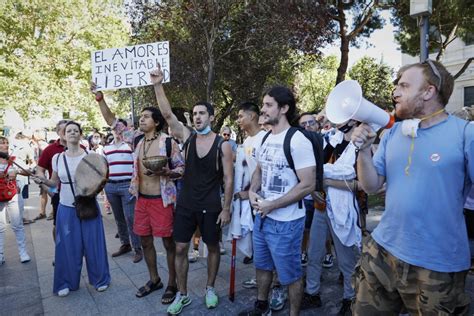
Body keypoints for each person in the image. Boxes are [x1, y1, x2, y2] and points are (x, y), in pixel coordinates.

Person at [351, 60, 473, 314]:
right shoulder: (393, 133)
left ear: (429, 91)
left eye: (404, 85)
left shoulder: (465, 134)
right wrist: (362, 151)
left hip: (437, 264)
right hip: (381, 250)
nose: (395, 91)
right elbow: (371, 186)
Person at [151, 66, 233, 315]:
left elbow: (229, 179)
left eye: (201, 113)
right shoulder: (187, 137)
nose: (197, 117)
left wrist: (227, 208)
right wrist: (157, 84)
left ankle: (209, 288)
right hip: (186, 204)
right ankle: (183, 294)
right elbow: (167, 115)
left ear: (210, 116)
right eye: (194, 114)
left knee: (213, 247)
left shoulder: (223, 145)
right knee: (180, 248)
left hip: (211, 205)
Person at [244, 86, 316, 316]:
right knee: (262, 266)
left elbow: (308, 184)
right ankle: (261, 306)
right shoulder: (264, 137)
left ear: (284, 108)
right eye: (263, 104)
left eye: (268, 105)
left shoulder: (298, 140)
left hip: (286, 222)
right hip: (262, 217)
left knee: (290, 274)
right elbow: (259, 170)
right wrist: (253, 190)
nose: (262, 110)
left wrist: (273, 204)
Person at [33, 121, 110, 297]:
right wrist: (43, 181)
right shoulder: (57, 158)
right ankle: (66, 282)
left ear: (81, 134)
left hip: (88, 204)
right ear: (63, 135)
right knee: (66, 246)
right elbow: (54, 183)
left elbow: (101, 179)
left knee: (94, 244)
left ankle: (100, 279)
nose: (72, 133)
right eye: (69, 131)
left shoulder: (91, 155)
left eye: (76, 130)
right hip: (66, 207)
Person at [128, 106, 184, 304]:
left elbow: (181, 168)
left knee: (168, 243)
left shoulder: (168, 143)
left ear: (157, 122)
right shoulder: (137, 141)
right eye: (140, 117)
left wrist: (166, 172)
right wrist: (99, 99)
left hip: (162, 200)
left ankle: (172, 283)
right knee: (145, 241)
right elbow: (113, 123)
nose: (141, 120)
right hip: (141, 199)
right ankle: (155, 279)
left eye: (145, 117)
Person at [90, 84, 143, 263]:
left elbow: (110, 118)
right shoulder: (107, 148)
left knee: (130, 217)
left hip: (127, 185)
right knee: (119, 218)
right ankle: (125, 243)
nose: (116, 129)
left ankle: (138, 247)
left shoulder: (133, 143)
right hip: (111, 186)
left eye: (120, 127)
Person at [0, 136, 31, 265]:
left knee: (17, 224)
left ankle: (23, 252)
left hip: (13, 194)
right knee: (0, 227)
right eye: (2, 143)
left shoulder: (13, 159)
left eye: (6, 143)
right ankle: (0, 254)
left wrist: (17, 171)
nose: (5, 145)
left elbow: (28, 172)